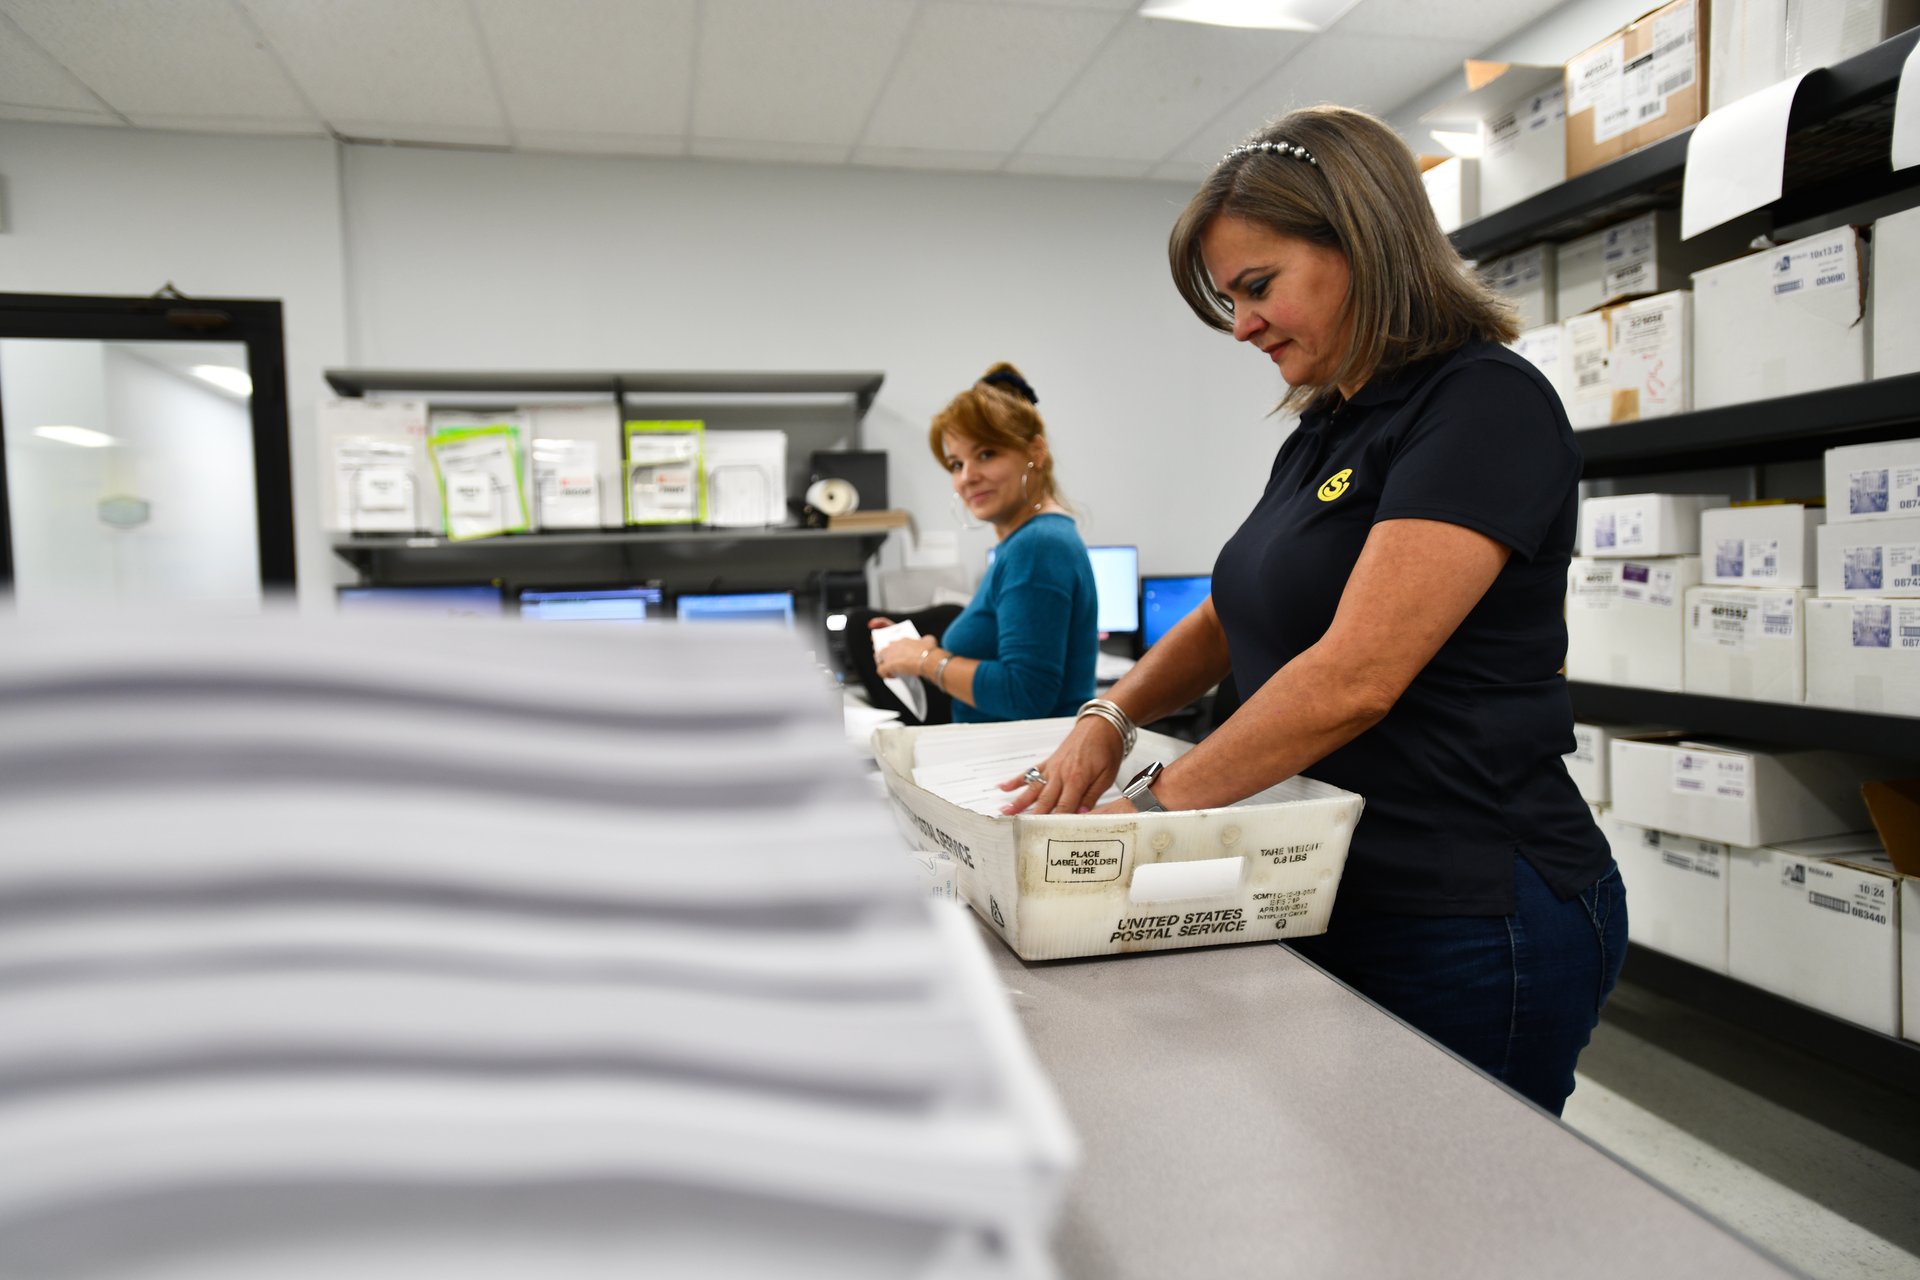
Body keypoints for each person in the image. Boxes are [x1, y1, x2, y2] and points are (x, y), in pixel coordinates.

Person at [1002, 106, 1626, 1117]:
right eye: (1227, 299)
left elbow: (1354, 677)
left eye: (1257, 287)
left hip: (1471, 903)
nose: (1242, 324)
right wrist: (1105, 720)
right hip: (1337, 879)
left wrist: (1148, 819)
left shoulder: (1483, 405)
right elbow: (1227, 614)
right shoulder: (1326, 430)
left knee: (1460, 1221)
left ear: (1367, 244)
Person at [871, 364, 1098, 723]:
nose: (966, 477)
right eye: (956, 463)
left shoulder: (1036, 546)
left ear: (1035, 452)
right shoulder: (1030, 541)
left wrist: (925, 661)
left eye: (986, 454)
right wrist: (922, 650)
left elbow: (1026, 693)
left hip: (1026, 764)